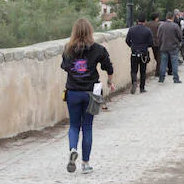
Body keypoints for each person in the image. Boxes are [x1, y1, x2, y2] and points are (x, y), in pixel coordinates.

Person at [61, 18, 114, 174]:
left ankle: (72, 149)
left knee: (74, 125)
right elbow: (108, 67)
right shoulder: (98, 49)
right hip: (92, 93)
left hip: (73, 92)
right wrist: (110, 82)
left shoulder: (68, 49)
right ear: (90, 31)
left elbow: (65, 67)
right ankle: (85, 163)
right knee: (87, 126)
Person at [125, 15, 153, 94]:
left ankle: (134, 81)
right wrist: (145, 46)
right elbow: (151, 43)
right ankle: (142, 88)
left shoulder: (131, 29)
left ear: (137, 21)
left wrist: (132, 46)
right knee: (143, 71)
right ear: (145, 21)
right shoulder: (147, 30)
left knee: (133, 70)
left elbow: (127, 40)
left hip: (134, 52)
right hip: (143, 53)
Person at [157, 11, 183, 84]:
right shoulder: (175, 26)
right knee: (174, 63)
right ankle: (175, 78)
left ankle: (161, 79)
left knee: (163, 63)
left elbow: (158, 36)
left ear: (166, 17)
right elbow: (180, 36)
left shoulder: (161, 26)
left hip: (164, 47)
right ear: (173, 17)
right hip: (173, 47)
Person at [146, 13, 162, 77]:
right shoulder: (158, 24)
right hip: (157, 42)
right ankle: (158, 72)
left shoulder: (147, 24)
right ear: (156, 18)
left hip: (150, 42)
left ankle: (158, 70)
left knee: (156, 56)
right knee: (159, 58)